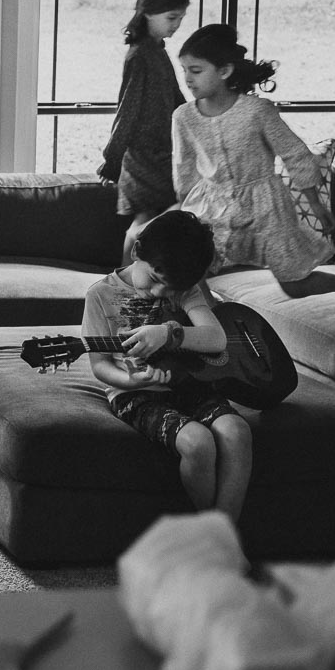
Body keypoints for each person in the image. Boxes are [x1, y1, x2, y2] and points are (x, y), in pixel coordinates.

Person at [172, 24, 335, 313]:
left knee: (293, 284)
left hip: (266, 207)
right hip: (212, 205)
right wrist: (184, 213)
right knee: (191, 268)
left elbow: (295, 154)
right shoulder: (183, 116)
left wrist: (315, 204)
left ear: (225, 71)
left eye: (196, 70)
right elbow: (184, 166)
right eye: (184, 70)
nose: (187, 79)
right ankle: (213, 318)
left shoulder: (257, 111)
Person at [82, 210, 251, 522]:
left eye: (170, 288)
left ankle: (225, 539)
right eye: (157, 279)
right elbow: (100, 366)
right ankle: (214, 533)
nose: (160, 292)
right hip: (137, 394)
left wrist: (168, 333)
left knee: (236, 432)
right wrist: (131, 381)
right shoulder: (101, 295)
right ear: (136, 252)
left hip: (189, 383)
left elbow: (216, 339)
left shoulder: (184, 289)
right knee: (198, 442)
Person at [98, 0, 191, 264]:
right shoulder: (140, 55)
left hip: (161, 154)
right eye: (171, 17)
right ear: (148, 13)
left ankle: (131, 281)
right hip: (141, 158)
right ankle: (124, 281)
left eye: (181, 18)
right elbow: (127, 111)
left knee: (153, 222)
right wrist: (112, 160)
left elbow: (177, 101)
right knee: (146, 223)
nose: (176, 24)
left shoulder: (158, 51)